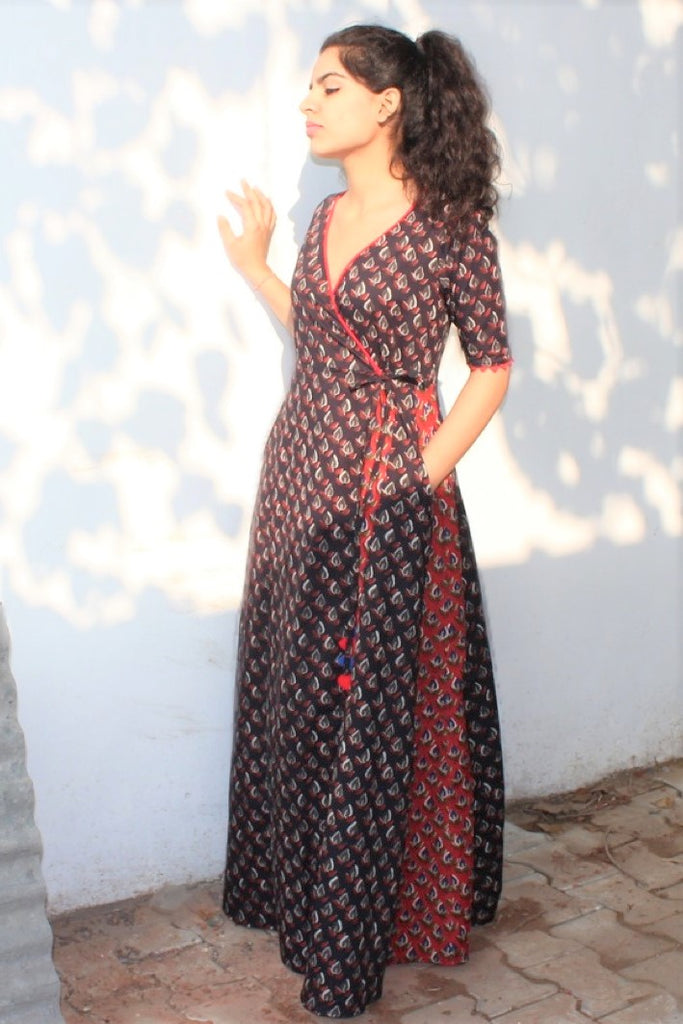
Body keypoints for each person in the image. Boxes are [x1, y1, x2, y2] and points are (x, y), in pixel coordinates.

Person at [217, 24, 512, 1019]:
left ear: (386, 103)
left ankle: (371, 923)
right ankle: (298, 896)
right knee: (303, 682)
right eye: (309, 86)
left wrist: (413, 478)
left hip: (390, 482)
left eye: (328, 86)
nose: (307, 103)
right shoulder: (324, 216)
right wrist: (257, 264)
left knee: (371, 697)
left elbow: (491, 368)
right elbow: (321, 336)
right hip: (301, 469)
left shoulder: (449, 226)